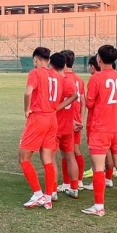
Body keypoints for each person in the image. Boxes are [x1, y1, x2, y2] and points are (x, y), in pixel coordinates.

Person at [19, 47, 75, 209]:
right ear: (48, 60)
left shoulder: (35, 73)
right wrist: (57, 107)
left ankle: (38, 194)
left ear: (35, 59)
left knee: (23, 158)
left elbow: (28, 92)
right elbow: (74, 94)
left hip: (38, 118)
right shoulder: (57, 76)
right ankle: (48, 197)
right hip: (52, 119)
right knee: (47, 159)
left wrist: (26, 109)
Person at [82, 45, 117, 216]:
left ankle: (99, 206)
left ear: (99, 59)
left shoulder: (96, 78)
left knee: (98, 168)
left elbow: (89, 103)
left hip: (100, 128)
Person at [50, 52, 80, 199]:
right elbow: (75, 96)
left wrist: (56, 107)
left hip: (55, 125)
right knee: (70, 156)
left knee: (52, 158)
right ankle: (74, 188)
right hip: (68, 124)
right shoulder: (71, 80)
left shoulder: (55, 80)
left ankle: (53, 191)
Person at [58, 50, 86, 190]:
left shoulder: (61, 78)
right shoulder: (79, 80)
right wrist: (81, 118)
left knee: (66, 153)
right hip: (76, 119)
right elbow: (82, 100)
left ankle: (67, 183)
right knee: (75, 151)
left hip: (64, 119)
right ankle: (78, 181)